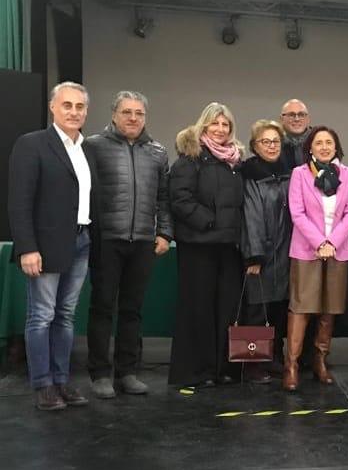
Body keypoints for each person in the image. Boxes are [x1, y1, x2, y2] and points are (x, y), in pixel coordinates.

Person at [8, 82, 94, 410]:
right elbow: (19, 201)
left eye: (79, 106)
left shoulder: (87, 149)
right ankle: (43, 385)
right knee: (41, 315)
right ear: (52, 107)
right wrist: (27, 247)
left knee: (66, 315)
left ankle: (61, 380)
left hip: (81, 241)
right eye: (67, 105)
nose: (74, 112)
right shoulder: (32, 144)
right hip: (44, 245)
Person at [84, 90, 172, 399]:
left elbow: (164, 198)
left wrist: (165, 233)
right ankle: (99, 374)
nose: (133, 118)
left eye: (139, 113)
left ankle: (127, 373)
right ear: (114, 115)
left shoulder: (158, 152)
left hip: (143, 242)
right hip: (106, 239)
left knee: (133, 310)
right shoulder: (93, 146)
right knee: (102, 308)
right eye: (126, 112)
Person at [168, 102, 245, 388]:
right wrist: (209, 222)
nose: (220, 129)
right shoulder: (190, 158)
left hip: (229, 247)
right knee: (198, 309)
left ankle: (223, 369)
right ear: (204, 125)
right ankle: (197, 372)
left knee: (226, 310)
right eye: (215, 123)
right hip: (198, 246)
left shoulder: (234, 162)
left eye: (225, 124)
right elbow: (180, 199)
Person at [286, 126, 348, 389]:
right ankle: (292, 365)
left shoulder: (347, 174)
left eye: (329, 142)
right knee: (301, 307)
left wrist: (332, 242)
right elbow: (297, 213)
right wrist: (319, 242)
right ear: (310, 148)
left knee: (330, 308)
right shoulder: (300, 174)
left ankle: (320, 361)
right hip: (307, 250)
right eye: (319, 143)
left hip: (338, 250)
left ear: (336, 147)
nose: (325, 147)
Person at [239, 119, 294, 383]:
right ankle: (252, 364)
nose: (272, 146)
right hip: (261, 253)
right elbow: (251, 216)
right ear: (254, 146)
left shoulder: (289, 173)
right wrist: (255, 255)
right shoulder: (250, 175)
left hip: (286, 253)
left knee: (278, 309)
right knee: (256, 310)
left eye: (276, 141)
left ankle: (273, 358)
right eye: (265, 142)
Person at [279, 98, 312, 169]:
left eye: (301, 115)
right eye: (291, 115)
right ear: (281, 119)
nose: (297, 119)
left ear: (308, 119)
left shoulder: (318, 142)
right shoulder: (274, 144)